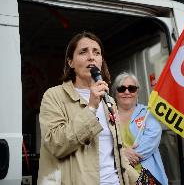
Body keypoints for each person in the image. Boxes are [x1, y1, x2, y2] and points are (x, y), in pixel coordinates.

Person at [37, 31, 138, 185]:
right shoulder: (53, 96)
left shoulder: (109, 100)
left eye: (96, 52)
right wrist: (91, 107)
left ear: (101, 61)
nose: (91, 56)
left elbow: (117, 154)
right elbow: (56, 145)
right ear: (70, 62)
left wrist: (147, 181)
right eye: (83, 52)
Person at [112, 72, 168, 185]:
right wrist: (121, 154)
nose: (127, 92)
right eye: (122, 88)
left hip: (146, 177)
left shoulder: (148, 113)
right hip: (116, 178)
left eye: (131, 88)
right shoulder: (106, 115)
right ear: (115, 92)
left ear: (137, 92)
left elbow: (151, 141)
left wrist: (120, 156)